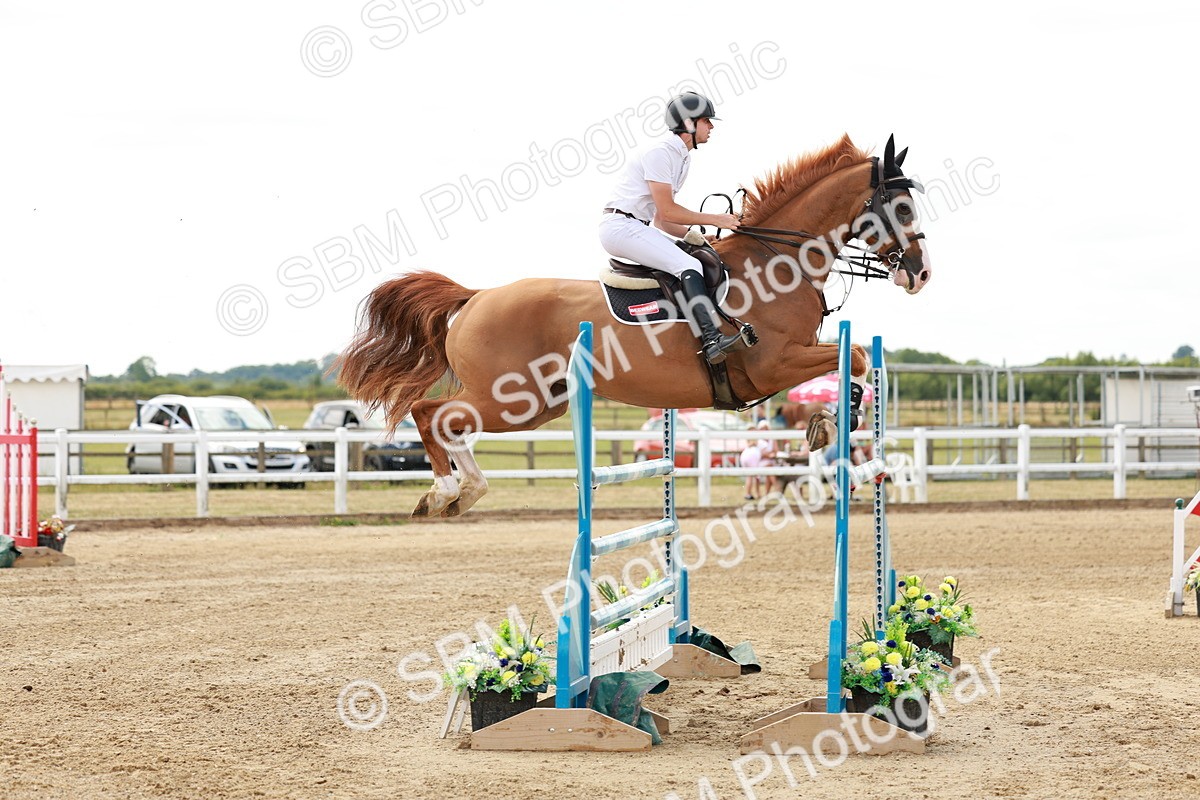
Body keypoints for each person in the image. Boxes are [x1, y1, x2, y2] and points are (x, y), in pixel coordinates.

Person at [599, 91, 750, 365]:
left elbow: (662, 221)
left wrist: (698, 237)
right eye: (707, 121)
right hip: (621, 226)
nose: (712, 127)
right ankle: (711, 340)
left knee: (695, 257)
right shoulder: (661, 152)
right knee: (690, 267)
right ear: (689, 124)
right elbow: (668, 210)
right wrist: (716, 219)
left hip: (639, 225)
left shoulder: (683, 157)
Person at [739, 420, 777, 500]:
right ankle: (774, 490)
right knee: (754, 475)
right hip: (753, 457)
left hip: (746, 456)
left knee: (750, 475)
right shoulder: (759, 441)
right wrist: (769, 455)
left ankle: (750, 493)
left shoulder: (755, 440)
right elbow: (765, 453)